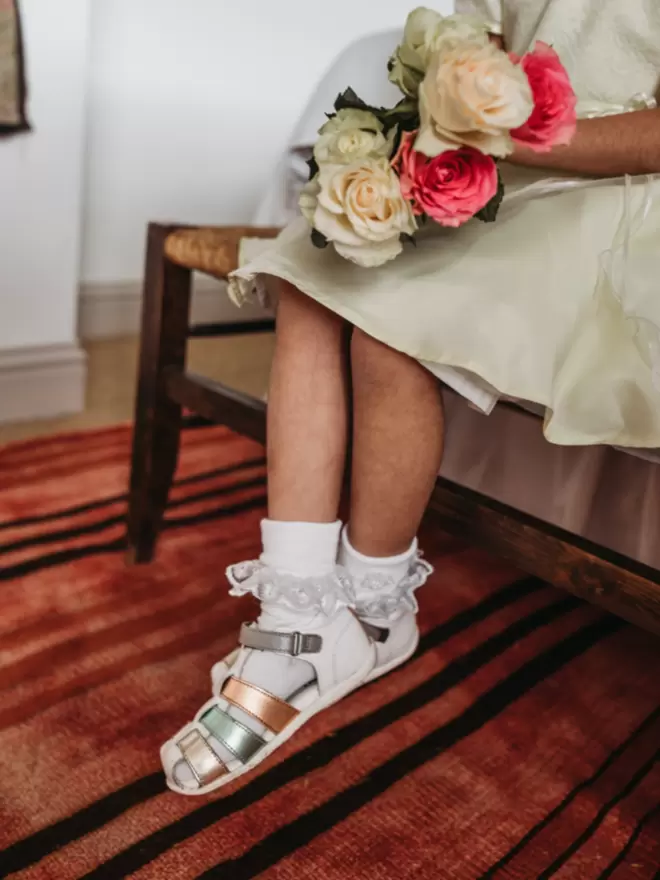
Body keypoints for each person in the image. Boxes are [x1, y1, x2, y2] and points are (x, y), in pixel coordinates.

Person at [161, 0, 660, 795]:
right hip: (513, 179)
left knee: (388, 327)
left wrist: (524, 135)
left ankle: (372, 612)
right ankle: (296, 617)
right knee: (314, 274)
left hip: (619, 200)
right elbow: (473, 64)